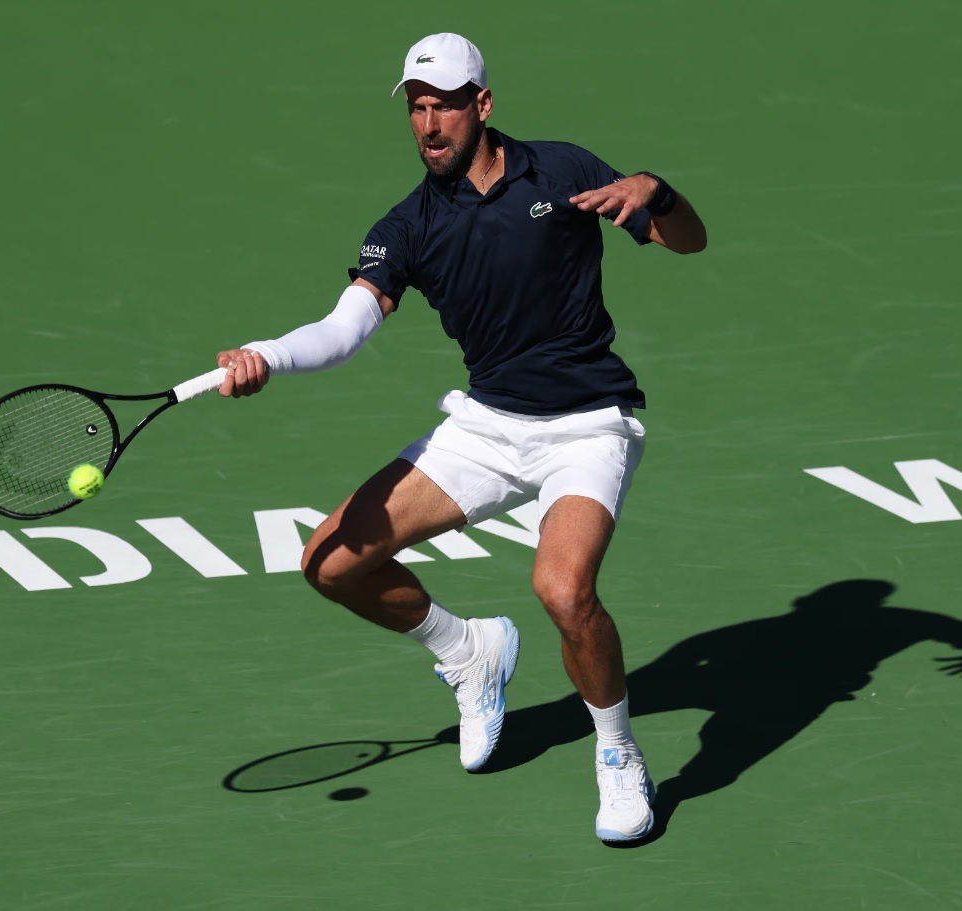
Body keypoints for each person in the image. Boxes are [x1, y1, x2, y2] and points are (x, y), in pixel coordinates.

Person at [213, 32, 707, 842]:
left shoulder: (565, 170)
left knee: (562, 589)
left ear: (482, 105)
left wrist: (658, 192)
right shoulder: (407, 227)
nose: (428, 122)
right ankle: (469, 650)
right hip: (485, 426)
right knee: (329, 563)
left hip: (587, 425)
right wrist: (266, 355)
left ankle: (616, 752)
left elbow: (689, 241)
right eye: (416, 106)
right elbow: (343, 331)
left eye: (443, 103)